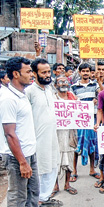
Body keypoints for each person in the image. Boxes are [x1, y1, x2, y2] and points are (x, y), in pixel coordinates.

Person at [0, 57, 39, 207]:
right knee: (18, 198)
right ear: (16, 74)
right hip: (17, 157)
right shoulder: (8, 99)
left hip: (30, 152)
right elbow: (9, 133)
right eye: (28, 71)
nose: (32, 75)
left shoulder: (21, 94)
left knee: (33, 193)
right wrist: (22, 162)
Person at [25, 58, 62, 206]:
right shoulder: (29, 92)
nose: (47, 75)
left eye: (48, 72)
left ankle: (44, 198)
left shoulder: (49, 89)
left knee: (52, 166)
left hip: (52, 137)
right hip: (37, 140)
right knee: (39, 170)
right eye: (43, 72)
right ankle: (36, 200)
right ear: (35, 73)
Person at [70, 63, 100, 182]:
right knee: (76, 145)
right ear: (80, 72)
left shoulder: (95, 85)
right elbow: (71, 101)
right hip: (79, 119)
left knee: (92, 143)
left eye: (87, 71)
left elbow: (102, 94)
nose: (86, 73)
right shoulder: (74, 87)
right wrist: (78, 101)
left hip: (91, 118)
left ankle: (92, 169)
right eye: (83, 71)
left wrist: (100, 82)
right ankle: (74, 170)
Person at [51, 75, 78, 197]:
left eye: (65, 82)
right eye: (60, 82)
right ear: (56, 85)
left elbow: (80, 113)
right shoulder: (52, 98)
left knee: (69, 158)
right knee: (55, 160)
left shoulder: (72, 98)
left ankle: (67, 184)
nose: (63, 84)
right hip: (56, 133)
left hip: (70, 133)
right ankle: (55, 186)